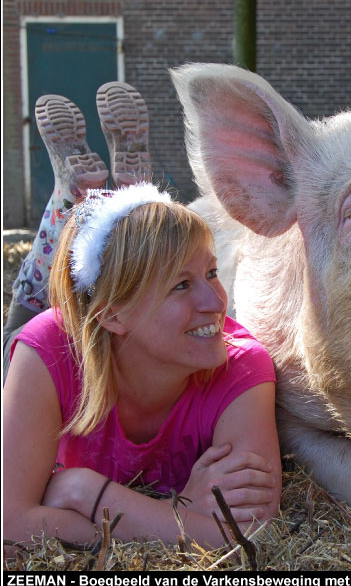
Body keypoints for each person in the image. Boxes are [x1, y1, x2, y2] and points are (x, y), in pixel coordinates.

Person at [3, 88, 281, 549]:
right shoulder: (46, 350)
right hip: (60, 331)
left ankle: (115, 198)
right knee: (36, 292)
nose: (216, 302)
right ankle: (74, 197)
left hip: (99, 316)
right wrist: (181, 518)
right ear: (113, 315)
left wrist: (82, 493)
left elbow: (248, 532)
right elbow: (8, 525)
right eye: (180, 284)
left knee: (97, 260)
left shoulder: (244, 366)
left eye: (211, 272)